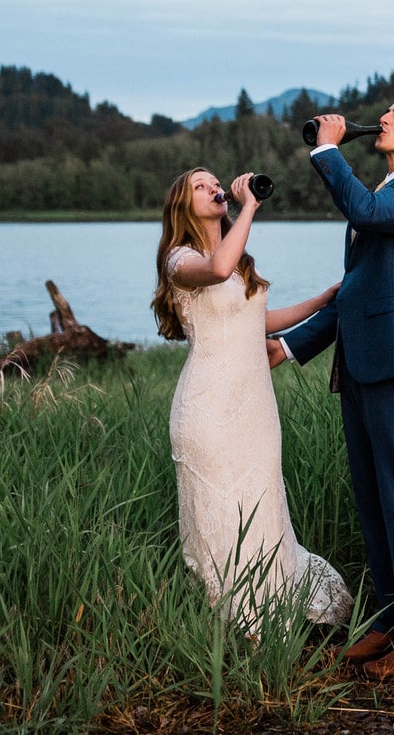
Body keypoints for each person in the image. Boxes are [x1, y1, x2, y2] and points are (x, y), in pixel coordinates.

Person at [268, 96, 394, 678]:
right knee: (371, 500)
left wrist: (326, 148)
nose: (387, 118)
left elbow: (370, 213)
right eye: (388, 113)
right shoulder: (386, 193)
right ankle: (392, 622)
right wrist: (289, 345)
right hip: (363, 367)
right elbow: (355, 291)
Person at [151, 167, 353, 636]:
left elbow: (258, 319)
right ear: (183, 206)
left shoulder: (239, 259)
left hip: (255, 408)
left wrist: (323, 300)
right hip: (207, 406)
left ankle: (276, 604)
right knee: (220, 508)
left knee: (261, 503)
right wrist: (249, 209)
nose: (213, 188)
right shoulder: (179, 260)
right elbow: (217, 268)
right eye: (199, 186)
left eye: (214, 181)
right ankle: (236, 619)